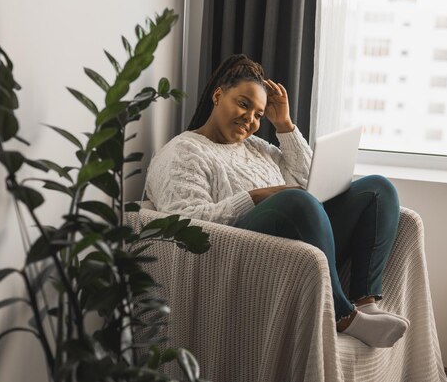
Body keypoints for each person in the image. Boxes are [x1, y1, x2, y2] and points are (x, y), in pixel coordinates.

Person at [144, 54, 408, 348]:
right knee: (296, 201)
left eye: (258, 114)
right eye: (244, 104)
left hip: (302, 242)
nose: (250, 119)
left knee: (378, 190)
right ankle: (342, 316)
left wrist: (284, 125)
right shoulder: (183, 151)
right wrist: (255, 197)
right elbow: (182, 226)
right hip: (240, 252)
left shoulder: (258, 147)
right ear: (218, 96)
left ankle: (366, 301)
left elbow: (315, 183)